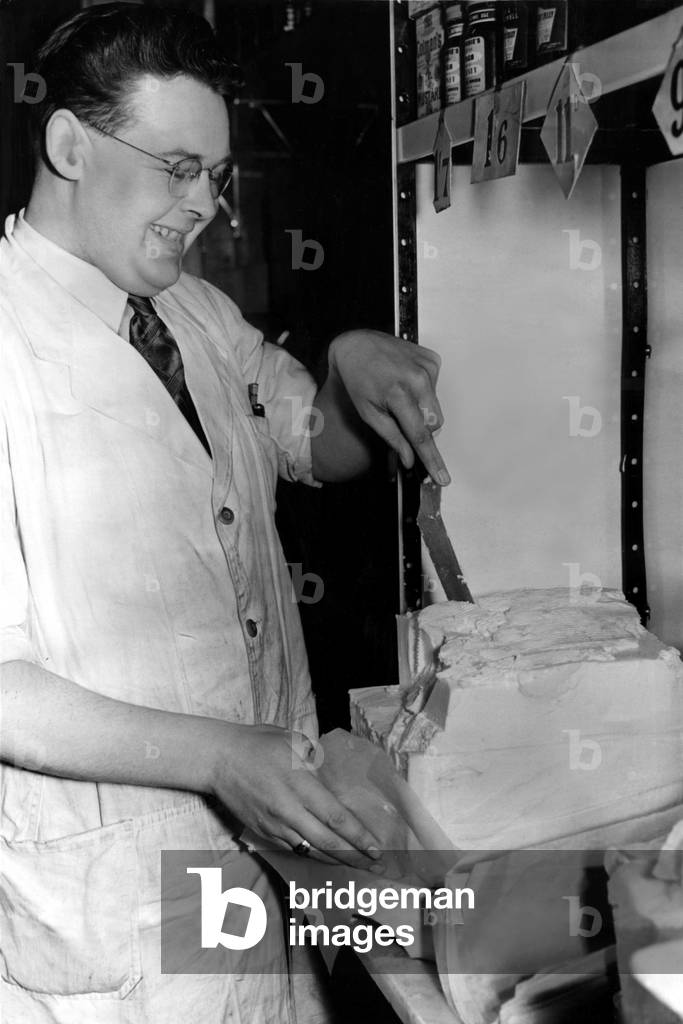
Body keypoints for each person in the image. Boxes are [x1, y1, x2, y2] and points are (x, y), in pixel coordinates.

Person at [0, 4, 448, 1021]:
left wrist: (345, 365)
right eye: (178, 167)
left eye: (214, 173)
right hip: (111, 916)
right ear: (69, 143)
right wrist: (213, 753)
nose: (206, 203)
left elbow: (310, 444)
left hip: (258, 875)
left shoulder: (194, 313)